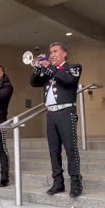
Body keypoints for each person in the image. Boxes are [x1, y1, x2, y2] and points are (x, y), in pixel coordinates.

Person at [30, 42, 83, 197]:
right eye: (50, 52)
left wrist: (49, 67)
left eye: (55, 51)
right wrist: (38, 67)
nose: (52, 54)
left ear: (64, 53)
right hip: (51, 114)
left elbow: (69, 81)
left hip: (66, 112)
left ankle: (76, 182)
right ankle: (58, 182)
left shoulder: (73, 67)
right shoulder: (48, 71)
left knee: (71, 149)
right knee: (54, 151)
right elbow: (34, 83)